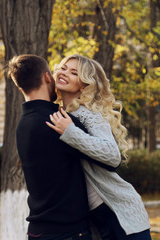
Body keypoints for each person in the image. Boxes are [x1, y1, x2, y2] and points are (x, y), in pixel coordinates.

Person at [6, 54, 116, 240]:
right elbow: (111, 160)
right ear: (48, 77)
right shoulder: (59, 122)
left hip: (37, 231)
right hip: (67, 231)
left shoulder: (23, 124)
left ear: (19, 86)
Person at [45, 54, 151, 240]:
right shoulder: (59, 114)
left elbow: (112, 155)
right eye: (63, 68)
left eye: (73, 72)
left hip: (117, 211)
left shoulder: (88, 116)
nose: (64, 73)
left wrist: (70, 132)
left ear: (84, 85)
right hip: (92, 217)